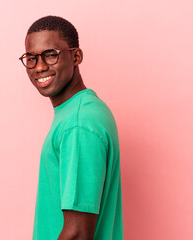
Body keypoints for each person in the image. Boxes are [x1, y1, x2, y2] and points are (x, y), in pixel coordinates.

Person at [19, 16, 123, 240]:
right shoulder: (81, 111)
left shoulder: (78, 123)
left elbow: (77, 234)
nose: (39, 67)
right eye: (31, 58)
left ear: (76, 56)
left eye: (50, 55)